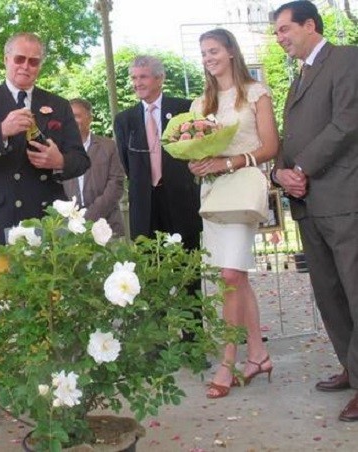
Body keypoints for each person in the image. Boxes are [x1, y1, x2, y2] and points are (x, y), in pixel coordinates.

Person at [0, 31, 90, 430]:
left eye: (34, 61)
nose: (26, 67)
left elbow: (80, 160)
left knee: (46, 309)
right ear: (6, 59)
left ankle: (48, 388)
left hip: (41, 224)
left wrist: (59, 159)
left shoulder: (57, 104)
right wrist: (2, 130)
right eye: (20, 60)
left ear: (40, 65)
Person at [273, 1, 358, 421]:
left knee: (355, 291)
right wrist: (281, 173)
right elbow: (290, 139)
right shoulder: (298, 76)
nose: (280, 38)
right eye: (276, 33)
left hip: (343, 200)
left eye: (286, 29)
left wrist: (301, 168)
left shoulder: (347, 59)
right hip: (307, 204)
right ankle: (351, 367)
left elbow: (347, 123)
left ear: (311, 24)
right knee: (330, 294)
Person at [187, 28, 278, 398]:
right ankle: (258, 354)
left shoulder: (256, 93)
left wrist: (229, 162)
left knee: (228, 276)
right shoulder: (200, 104)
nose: (208, 58)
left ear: (230, 52)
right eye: (203, 53)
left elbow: (271, 145)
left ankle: (227, 362)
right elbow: (193, 149)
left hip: (242, 188)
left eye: (213, 51)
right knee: (236, 278)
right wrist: (196, 163)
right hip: (214, 195)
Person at [114, 55, 204, 345]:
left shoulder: (185, 108)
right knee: (149, 276)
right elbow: (128, 164)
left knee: (189, 274)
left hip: (180, 202)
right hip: (145, 206)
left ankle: (192, 341)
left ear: (159, 78)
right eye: (134, 78)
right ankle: (156, 341)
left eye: (143, 77)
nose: (137, 83)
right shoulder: (124, 119)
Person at [64, 98, 124, 236]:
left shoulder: (108, 146)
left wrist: (89, 216)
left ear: (90, 118)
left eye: (77, 116)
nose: (72, 121)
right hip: (70, 228)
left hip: (107, 225)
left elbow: (116, 184)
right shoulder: (58, 150)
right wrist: (73, 217)